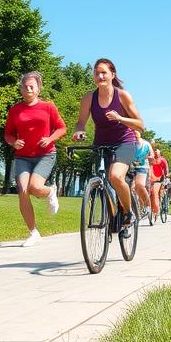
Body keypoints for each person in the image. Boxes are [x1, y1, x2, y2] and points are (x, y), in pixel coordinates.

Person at [72, 58, 145, 235]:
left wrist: (120, 118)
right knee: (104, 180)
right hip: (101, 143)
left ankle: (128, 213)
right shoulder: (89, 98)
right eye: (96, 72)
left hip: (124, 142)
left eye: (104, 72)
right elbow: (80, 123)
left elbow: (140, 125)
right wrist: (79, 132)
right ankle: (112, 216)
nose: (100, 75)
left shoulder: (122, 96)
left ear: (112, 75)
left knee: (115, 176)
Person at [5, 71, 65, 247]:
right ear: (21, 88)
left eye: (32, 86)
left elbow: (62, 128)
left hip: (45, 155)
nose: (29, 88)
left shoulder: (48, 107)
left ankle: (50, 191)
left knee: (35, 188)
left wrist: (50, 138)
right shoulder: (15, 110)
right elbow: (8, 134)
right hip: (23, 156)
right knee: (23, 191)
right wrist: (13, 142)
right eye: (25, 86)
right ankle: (33, 232)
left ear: (39, 88)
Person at [130, 135, 154, 223]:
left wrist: (150, 157)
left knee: (139, 185)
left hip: (142, 167)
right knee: (131, 188)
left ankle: (148, 206)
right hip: (130, 166)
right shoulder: (129, 142)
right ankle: (133, 209)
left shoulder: (146, 144)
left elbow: (152, 156)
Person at [149, 146, 170, 223]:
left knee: (155, 193)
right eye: (154, 152)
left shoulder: (163, 160)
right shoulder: (150, 159)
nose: (155, 153)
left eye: (156, 152)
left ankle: (156, 211)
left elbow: (166, 170)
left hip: (159, 180)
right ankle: (149, 210)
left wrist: (166, 178)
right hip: (150, 179)